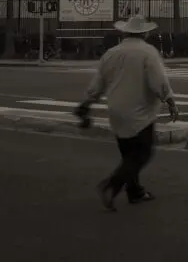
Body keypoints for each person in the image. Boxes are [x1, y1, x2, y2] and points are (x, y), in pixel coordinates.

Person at [74, 14, 179, 211]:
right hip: (140, 111)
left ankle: (135, 192)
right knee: (142, 153)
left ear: (125, 32)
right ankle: (112, 184)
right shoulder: (148, 52)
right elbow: (158, 82)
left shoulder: (111, 53)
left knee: (128, 154)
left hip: (116, 110)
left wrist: (88, 102)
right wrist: (170, 101)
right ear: (145, 33)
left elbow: (98, 83)